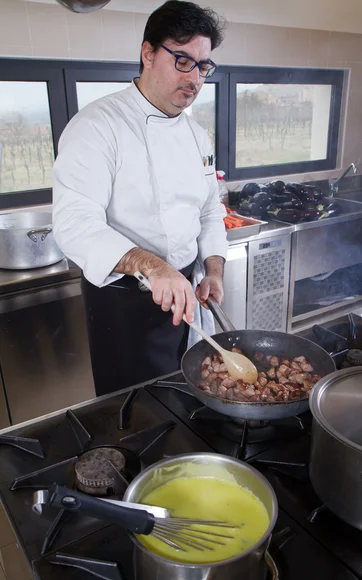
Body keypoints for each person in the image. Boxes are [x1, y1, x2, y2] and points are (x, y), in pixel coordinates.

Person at [52, 0, 228, 396]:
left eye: (203, 66)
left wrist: (213, 269)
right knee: (133, 414)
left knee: (188, 397)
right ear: (148, 53)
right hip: (123, 303)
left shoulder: (196, 135)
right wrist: (152, 266)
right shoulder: (96, 127)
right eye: (183, 60)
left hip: (186, 294)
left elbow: (209, 209)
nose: (195, 78)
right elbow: (74, 223)